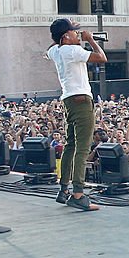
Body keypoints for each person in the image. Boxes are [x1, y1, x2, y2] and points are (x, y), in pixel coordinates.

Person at [47, 18, 107, 210]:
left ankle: (64, 189)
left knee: (70, 145)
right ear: (65, 37)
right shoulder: (72, 51)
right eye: (73, 32)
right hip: (81, 101)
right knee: (82, 147)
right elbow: (102, 58)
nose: (77, 34)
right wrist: (90, 40)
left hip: (68, 101)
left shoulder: (55, 51)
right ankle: (78, 194)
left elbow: (48, 50)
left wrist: (65, 34)